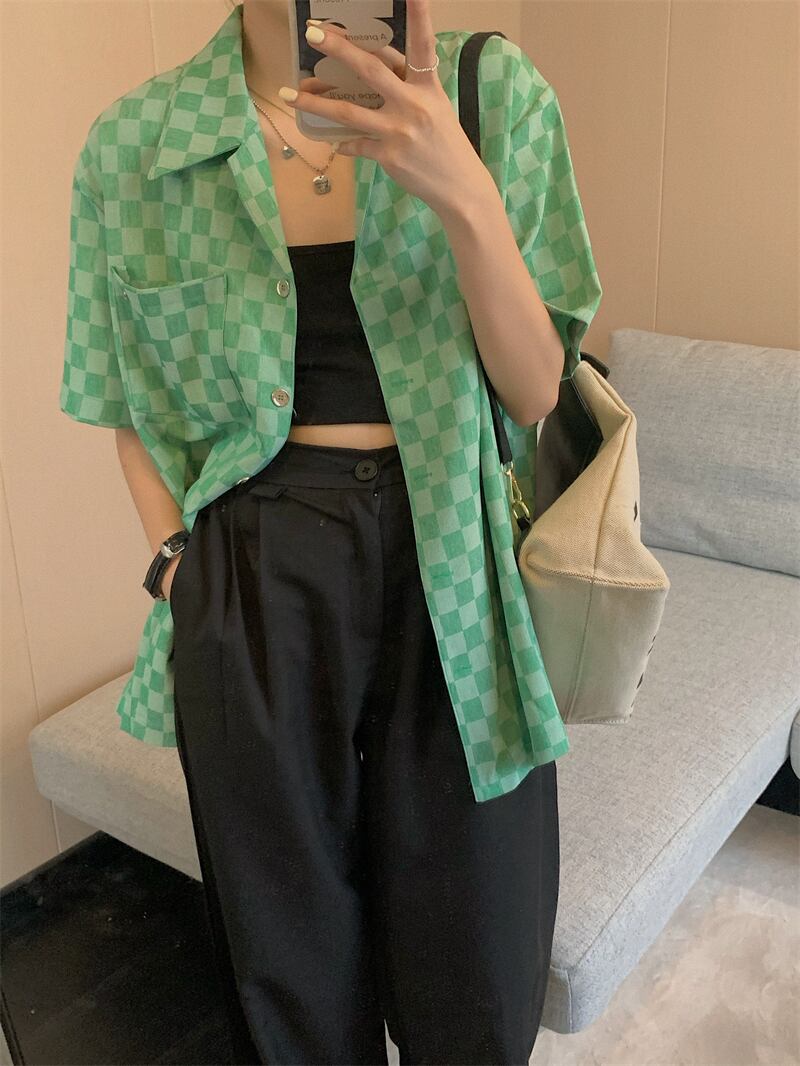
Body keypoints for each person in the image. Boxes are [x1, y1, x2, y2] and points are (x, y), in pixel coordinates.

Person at [60, 0, 602, 1062]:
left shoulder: (494, 98)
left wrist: (461, 191)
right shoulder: (138, 145)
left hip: (454, 558)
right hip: (248, 573)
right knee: (288, 966)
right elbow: (124, 399)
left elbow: (536, 391)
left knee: (480, 960)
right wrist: (176, 566)